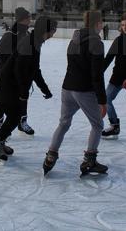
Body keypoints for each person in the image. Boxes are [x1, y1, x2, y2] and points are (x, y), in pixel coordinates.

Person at [43, 10, 108, 177]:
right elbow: (97, 75)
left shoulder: (74, 40)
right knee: (98, 125)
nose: (102, 26)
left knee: (64, 124)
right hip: (84, 91)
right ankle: (90, 160)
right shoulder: (96, 43)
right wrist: (102, 100)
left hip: (67, 88)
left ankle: (51, 155)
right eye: (101, 23)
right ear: (97, 24)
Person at [0, 16, 56, 164]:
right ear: (46, 30)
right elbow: (20, 70)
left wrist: (44, 89)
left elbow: (34, 70)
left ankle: (0, 142)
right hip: (9, 85)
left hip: (12, 85)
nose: (53, 34)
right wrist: (23, 93)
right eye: (53, 30)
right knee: (14, 117)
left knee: (14, 116)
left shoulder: (34, 42)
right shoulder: (30, 43)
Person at [0, 7, 49, 135]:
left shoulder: (28, 35)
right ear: (23, 19)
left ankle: (22, 122)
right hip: (5, 72)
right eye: (29, 17)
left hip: (21, 73)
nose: (30, 20)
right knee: (4, 98)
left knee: (23, 95)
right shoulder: (11, 34)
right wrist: (14, 62)